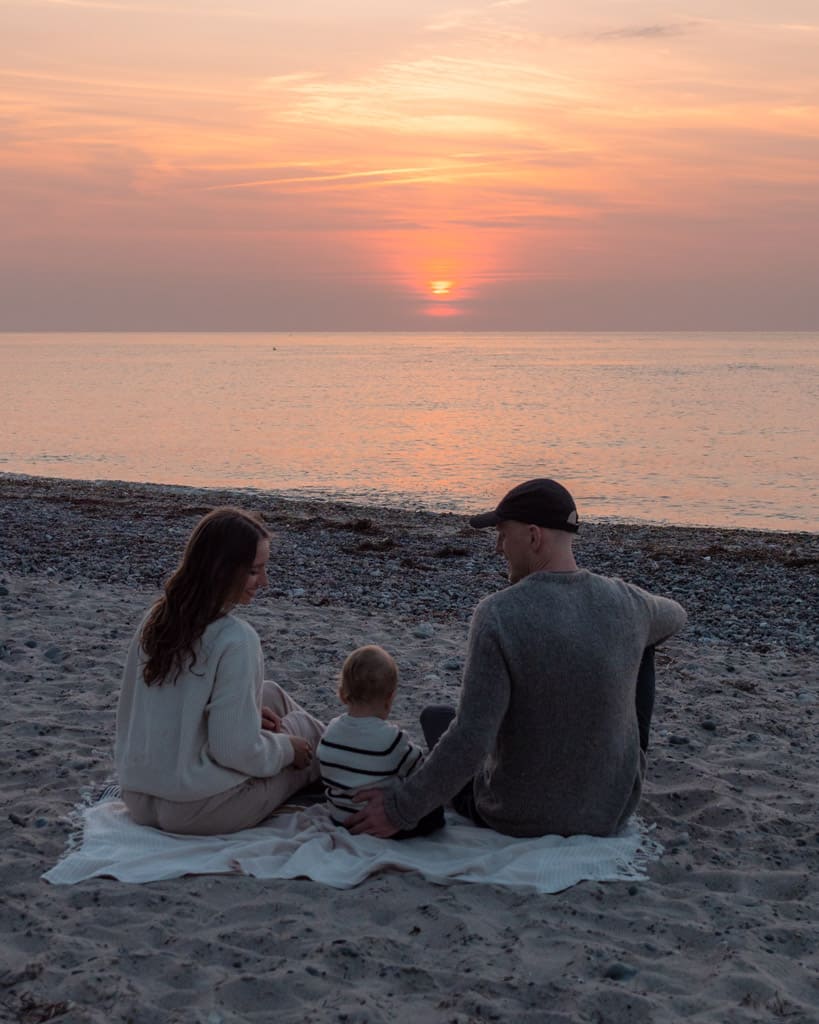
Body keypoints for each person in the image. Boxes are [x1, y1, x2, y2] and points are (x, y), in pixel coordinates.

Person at [347, 478, 687, 840]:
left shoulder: (497, 614)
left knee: (436, 717)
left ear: (534, 536)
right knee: (644, 639)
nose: (498, 548)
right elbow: (677, 615)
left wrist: (400, 809)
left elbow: (471, 740)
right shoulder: (627, 602)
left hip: (516, 816)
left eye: (502, 535)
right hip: (609, 812)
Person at [115, 507, 325, 835]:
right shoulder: (236, 639)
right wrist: (286, 748)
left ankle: (350, 745)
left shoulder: (156, 620)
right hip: (202, 807)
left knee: (270, 695)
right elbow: (232, 750)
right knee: (306, 734)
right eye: (255, 571)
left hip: (140, 796)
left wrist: (249, 717)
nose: (265, 582)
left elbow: (174, 707)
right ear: (223, 570)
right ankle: (365, 754)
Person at [317, 645, 444, 838]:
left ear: (343, 694)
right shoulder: (391, 740)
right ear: (389, 699)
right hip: (383, 822)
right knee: (436, 813)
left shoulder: (330, 732)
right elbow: (420, 769)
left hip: (341, 818)